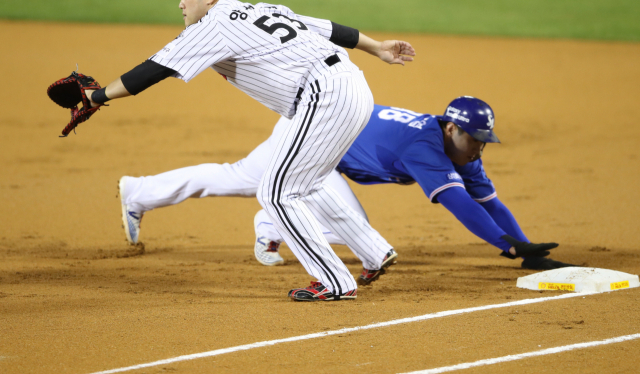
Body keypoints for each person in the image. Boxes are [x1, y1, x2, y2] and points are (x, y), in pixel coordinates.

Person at [86, 0, 416, 302]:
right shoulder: (263, 11)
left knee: (276, 192)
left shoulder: (214, 23)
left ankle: (334, 281)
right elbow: (331, 30)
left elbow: (151, 71)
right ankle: (374, 252)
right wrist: (376, 47)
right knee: (307, 183)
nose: (181, 3)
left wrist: (96, 97)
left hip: (324, 94)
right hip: (350, 87)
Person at [119, 97, 574, 271]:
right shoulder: (426, 148)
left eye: (484, 141)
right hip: (312, 141)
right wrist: (506, 247)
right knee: (353, 231)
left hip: (315, 139)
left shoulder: (463, 149)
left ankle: (138, 191)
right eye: (476, 139)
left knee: (232, 178)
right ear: (453, 129)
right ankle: (272, 219)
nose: (480, 147)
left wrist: (524, 246)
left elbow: (487, 201)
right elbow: (460, 205)